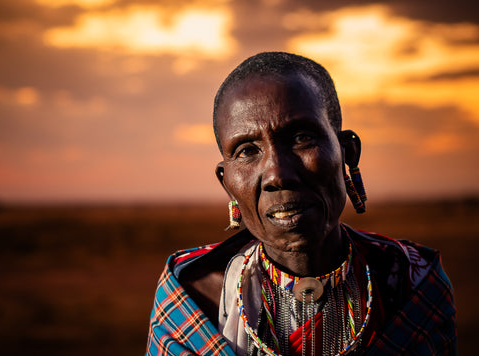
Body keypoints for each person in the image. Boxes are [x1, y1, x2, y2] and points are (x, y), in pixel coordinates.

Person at [146, 52, 456, 355]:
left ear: (347, 153)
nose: (277, 175)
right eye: (246, 151)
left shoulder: (411, 282)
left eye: (301, 138)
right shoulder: (191, 293)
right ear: (226, 182)